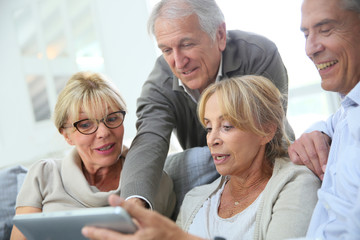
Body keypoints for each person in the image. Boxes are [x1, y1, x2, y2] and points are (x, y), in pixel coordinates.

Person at [82, 75, 320, 240]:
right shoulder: (196, 199)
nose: (212, 140)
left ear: (266, 130)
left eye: (227, 126)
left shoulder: (295, 182)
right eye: (208, 128)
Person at [120, 0, 295, 216]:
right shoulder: (160, 81)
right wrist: (135, 202)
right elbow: (149, 139)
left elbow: (268, 133)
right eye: (166, 50)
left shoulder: (258, 54)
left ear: (220, 35)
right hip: (210, 180)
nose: (178, 62)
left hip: (265, 161)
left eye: (187, 44)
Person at [10, 72, 175, 240]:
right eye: (86, 124)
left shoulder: (154, 181)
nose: (103, 133)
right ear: (66, 135)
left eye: (111, 118)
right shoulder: (44, 174)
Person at [287, 0, 360, 239]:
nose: (310, 48)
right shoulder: (348, 110)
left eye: (326, 30)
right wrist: (317, 133)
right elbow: (333, 121)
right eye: (306, 34)